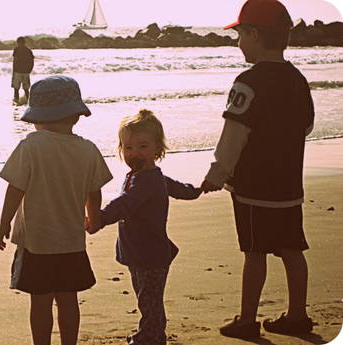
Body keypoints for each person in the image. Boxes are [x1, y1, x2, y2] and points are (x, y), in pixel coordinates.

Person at [201, 0, 315, 339]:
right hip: (289, 184)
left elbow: (234, 134)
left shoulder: (247, 81)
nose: (238, 43)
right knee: (293, 250)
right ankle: (297, 315)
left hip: (253, 186)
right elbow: (307, 126)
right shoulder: (298, 79)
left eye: (240, 36)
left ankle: (248, 319)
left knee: (255, 251)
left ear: (253, 35)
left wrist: (217, 173)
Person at [0, 75, 113, 345]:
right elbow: (94, 192)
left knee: (41, 302)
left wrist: (4, 224)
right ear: (75, 116)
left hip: (37, 243)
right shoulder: (88, 149)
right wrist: (94, 219)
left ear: (37, 117)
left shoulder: (30, 146)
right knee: (68, 299)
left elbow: (15, 189)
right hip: (72, 241)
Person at [87, 109, 202, 345]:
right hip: (139, 251)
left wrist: (100, 218)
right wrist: (196, 190)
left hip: (149, 252)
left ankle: (152, 336)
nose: (134, 153)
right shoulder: (143, 176)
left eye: (142, 146)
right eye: (128, 148)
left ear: (157, 149)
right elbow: (180, 189)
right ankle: (150, 331)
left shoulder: (147, 180)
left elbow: (125, 204)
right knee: (145, 297)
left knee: (149, 299)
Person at [12, 36, 34, 103]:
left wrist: (13, 72)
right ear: (24, 42)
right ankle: (28, 102)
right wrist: (29, 70)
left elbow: (14, 61)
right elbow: (32, 61)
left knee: (16, 89)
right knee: (26, 89)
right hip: (25, 72)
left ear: (18, 42)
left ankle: (16, 102)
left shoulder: (16, 50)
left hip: (18, 72)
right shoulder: (28, 50)